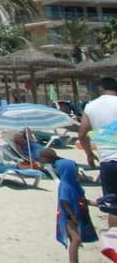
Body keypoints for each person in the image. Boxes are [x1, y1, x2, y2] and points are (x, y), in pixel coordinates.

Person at [79, 76, 117, 227]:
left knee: (113, 206)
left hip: (108, 161)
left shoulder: (91, 106)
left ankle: (114, 238)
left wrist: (89, 154)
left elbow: (82, 135)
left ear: (101, 88)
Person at [54, 159, 98, 263]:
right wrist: (72, 215)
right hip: (68, 217)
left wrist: (94, 203)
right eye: (75, 171)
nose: (77, 172)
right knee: (76, 239)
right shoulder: (65, 185)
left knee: (74, 240)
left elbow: (81, 199)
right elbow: (64, 202)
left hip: (76, 215)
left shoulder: (73, 184)